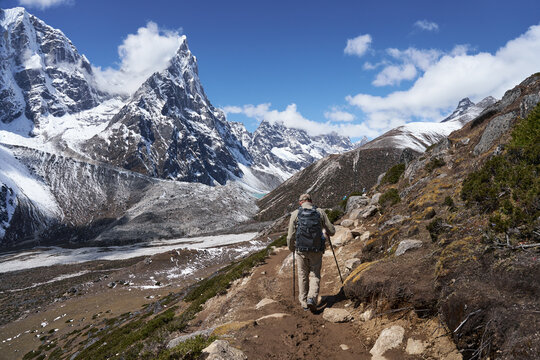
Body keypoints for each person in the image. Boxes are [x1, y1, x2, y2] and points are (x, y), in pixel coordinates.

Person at [287, 193, 336, 312]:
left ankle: (303, 302)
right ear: (311, 201)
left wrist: (291, 248)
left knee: (303, 275)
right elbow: (332, 230)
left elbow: (290, 236)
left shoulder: (295, 214)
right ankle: (312, 298)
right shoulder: (320, 212)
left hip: (301, 250)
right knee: (315, 274)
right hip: (316, 250)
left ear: (300, 202)